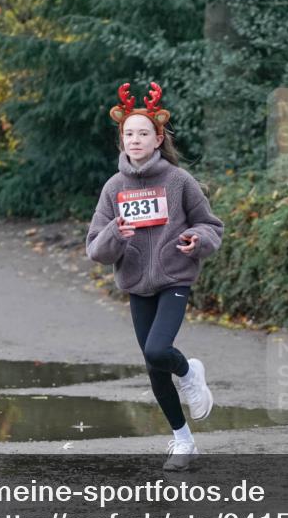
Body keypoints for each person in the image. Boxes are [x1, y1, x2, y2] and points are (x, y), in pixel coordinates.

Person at [86, 82, 224, 470]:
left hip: (174, 278)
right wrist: (117, 232)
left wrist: (195, 239)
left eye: (143, 133)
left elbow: (211, 225)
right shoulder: (114, 187)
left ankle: (189, 371)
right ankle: (183, 441)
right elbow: (95, 247)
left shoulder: (179, 181)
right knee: (152, 366)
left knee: (158, 351)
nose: (135, 139)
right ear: (121, 140)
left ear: (158, 138)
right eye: (128, 134)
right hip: (136, 283)